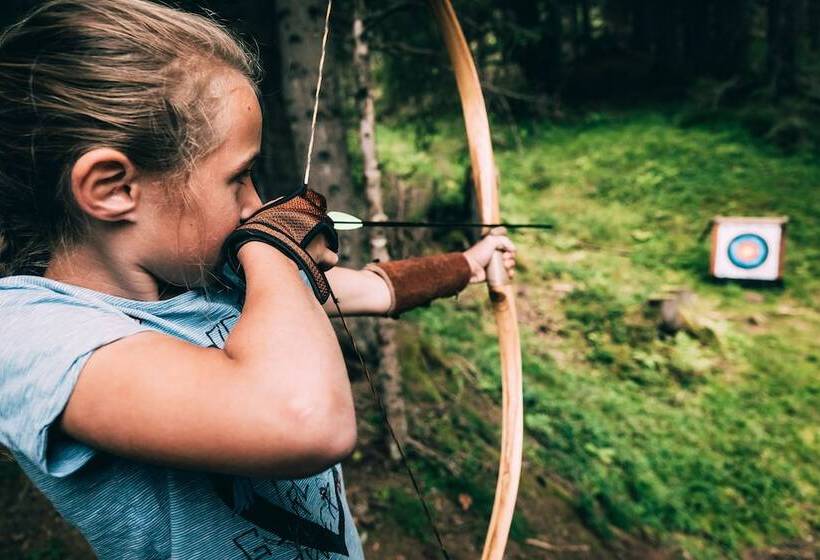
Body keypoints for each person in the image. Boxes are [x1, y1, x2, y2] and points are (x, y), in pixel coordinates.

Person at [0, 1, 517, 559]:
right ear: (113, 188)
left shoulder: (203, 278)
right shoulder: (34, 337)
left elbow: (368, 289)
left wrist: (469, 263)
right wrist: (273, 248)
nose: (254, 205)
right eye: (239, 177)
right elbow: (306, 421)